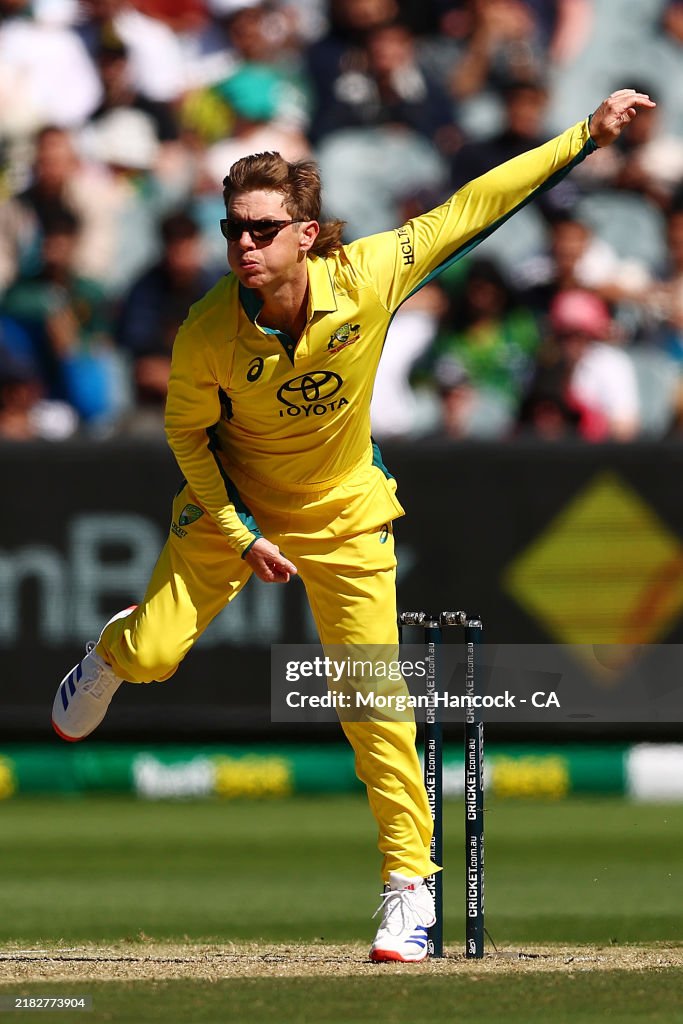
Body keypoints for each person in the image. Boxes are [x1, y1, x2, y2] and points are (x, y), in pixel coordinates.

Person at [51, 88, 653, 962]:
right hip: (234, 509)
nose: (243, 247)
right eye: (231, 231)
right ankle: (111, 651)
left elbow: (470, 209)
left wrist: (586, 135)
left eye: (260, 230)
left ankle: (409, 889)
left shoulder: (368, 275)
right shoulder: (206, 332)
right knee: (150, 657)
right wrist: (242, 527)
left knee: (374, 699)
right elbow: (184, 438)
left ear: (305, 233)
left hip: (344, 514)